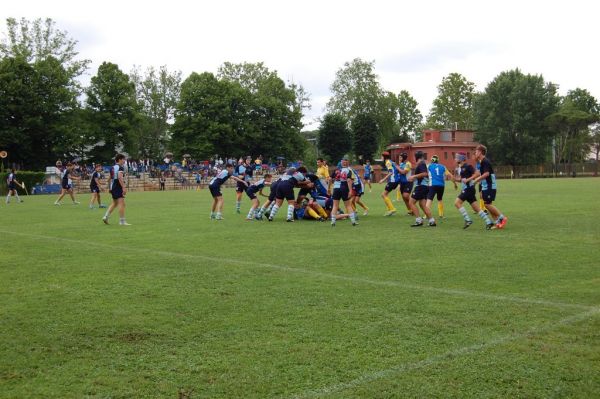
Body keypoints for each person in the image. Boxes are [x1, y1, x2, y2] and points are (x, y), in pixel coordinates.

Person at [453, 152, 494, 230]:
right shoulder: (461, 167)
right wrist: (457, 180)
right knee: (477, 208)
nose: (455, 159)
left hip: (468, 189)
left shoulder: (468, 166)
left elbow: (477, 174)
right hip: (469, 189)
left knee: (457, 203)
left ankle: (468, 220)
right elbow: (464, 179)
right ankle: (489, 222)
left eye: (457, 157)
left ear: (461, 158)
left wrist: (468, 179)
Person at [473, 145, 507, 229]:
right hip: (486, 186)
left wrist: (476, 180)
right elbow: (483, 175)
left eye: (476, 151)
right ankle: (497, 223)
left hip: (490, 186)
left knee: (487, 204)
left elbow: (486, 174)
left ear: (480, 152)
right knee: (488, 204)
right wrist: (481, 188)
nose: (475, 153)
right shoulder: (481, 162)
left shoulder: (485, 161)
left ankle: (502, 217)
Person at [408, 151, 435, 227]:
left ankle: (419, 220)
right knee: (422, 205)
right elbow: (423, 175)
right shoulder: (422, 164)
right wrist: (414, 178)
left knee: (411, 202)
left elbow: (425, 174)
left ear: (416, 157)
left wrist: (413, 176)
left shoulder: (421, 164)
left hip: (421, 187)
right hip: (424, 186)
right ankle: (432, 221)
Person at [102, 154, 130, 225]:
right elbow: (120, 177)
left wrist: (109, 187)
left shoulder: (112, 167)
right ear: (120, 159)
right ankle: (122, 221)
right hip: (118, 186)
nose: (124, 161)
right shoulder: (120, 167)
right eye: (124, 159)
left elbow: (110, 178)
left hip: (113, 186)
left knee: (115, 203)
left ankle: (106, 216)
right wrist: (123, 187)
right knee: (122, 203)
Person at [330, 157, 358, 227]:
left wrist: (328, 189)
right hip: (344, 188)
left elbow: (330, 179)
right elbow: (349, 180)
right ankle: (353, 221)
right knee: (348, 205)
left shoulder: (337, 170)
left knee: (335, 205)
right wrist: (350, 190)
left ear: (341, 162)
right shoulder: (349, 170)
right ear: (348, 162)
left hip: (336, 188)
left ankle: (333, 222)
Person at [378, 152, 401, 216]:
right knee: (385, 194)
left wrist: (383, 180)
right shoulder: (391, 161)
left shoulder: (388, 162)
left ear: (384, 157)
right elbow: (395, 170)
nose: (381, 158)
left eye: (381, 156)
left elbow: (391, 172)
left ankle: (392, 209)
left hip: (393, 181)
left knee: (383, 195)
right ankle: (390, 210)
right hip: (395, 180)